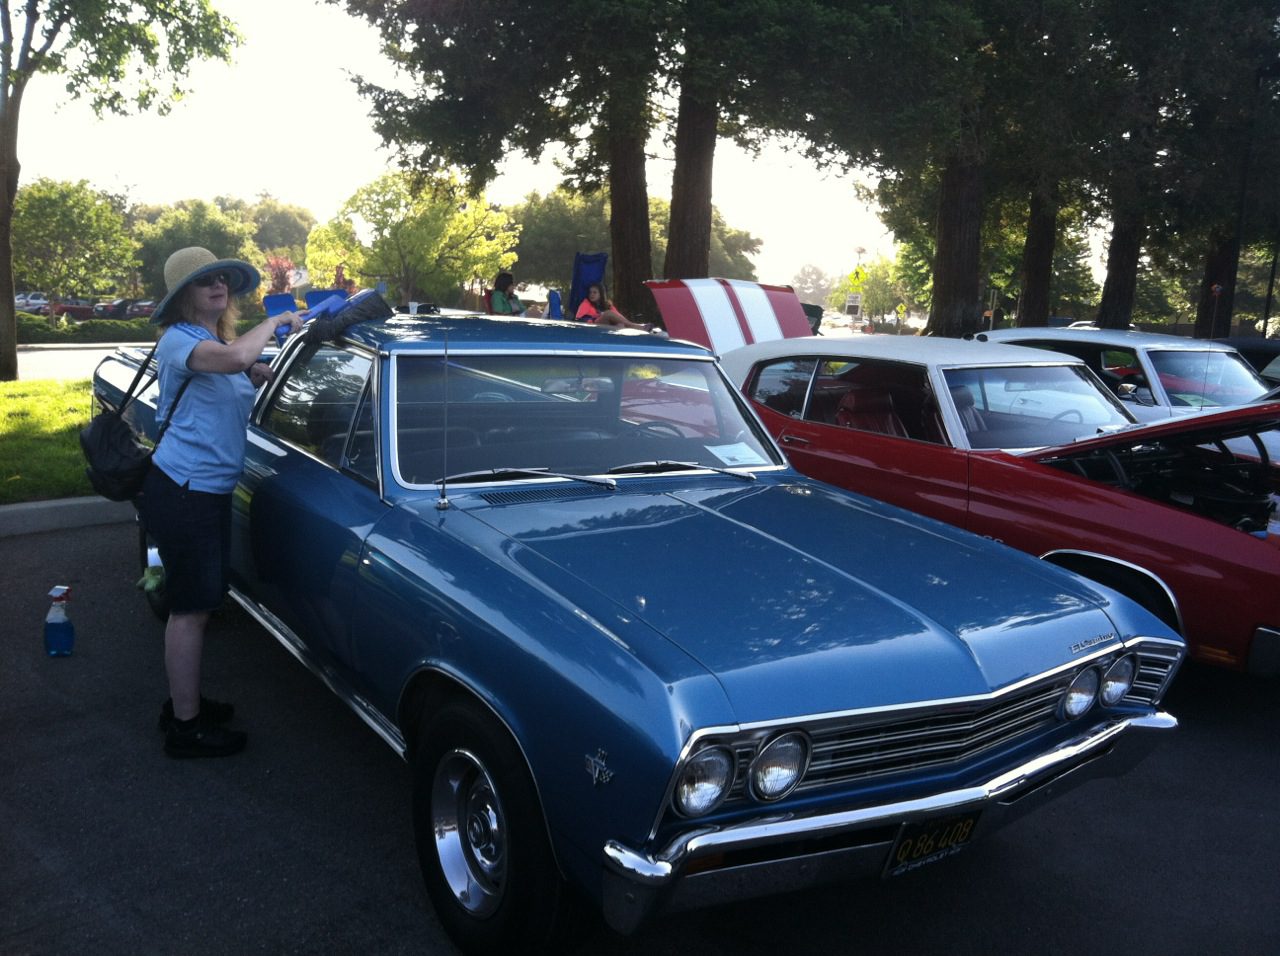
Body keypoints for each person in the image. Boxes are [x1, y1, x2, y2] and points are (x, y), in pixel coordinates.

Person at [136, 247, 303, 759]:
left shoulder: (211, 341)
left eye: (223, 279)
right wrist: (275, 320)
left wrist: (252, 377)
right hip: (185, 491)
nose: (218, 287)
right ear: (182, 296)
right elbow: (231, 360)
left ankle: (185, 704)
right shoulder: (181, 340)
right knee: (190, 610)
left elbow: (231, 368)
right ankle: (185, 728)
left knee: (201, 604)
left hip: (200, 490)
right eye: (204, 281)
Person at [575, 282, 653, 330]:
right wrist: (598, 316)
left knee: (620, 324)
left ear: (601, 294)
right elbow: (580, 320)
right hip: (592, 327)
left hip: (607, 327)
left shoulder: (607, 305)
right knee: (608, 313)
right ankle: (639, 327)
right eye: (590, 292)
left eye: (594, 292)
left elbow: (619, 317)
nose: (591, 295)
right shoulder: (585, 304)